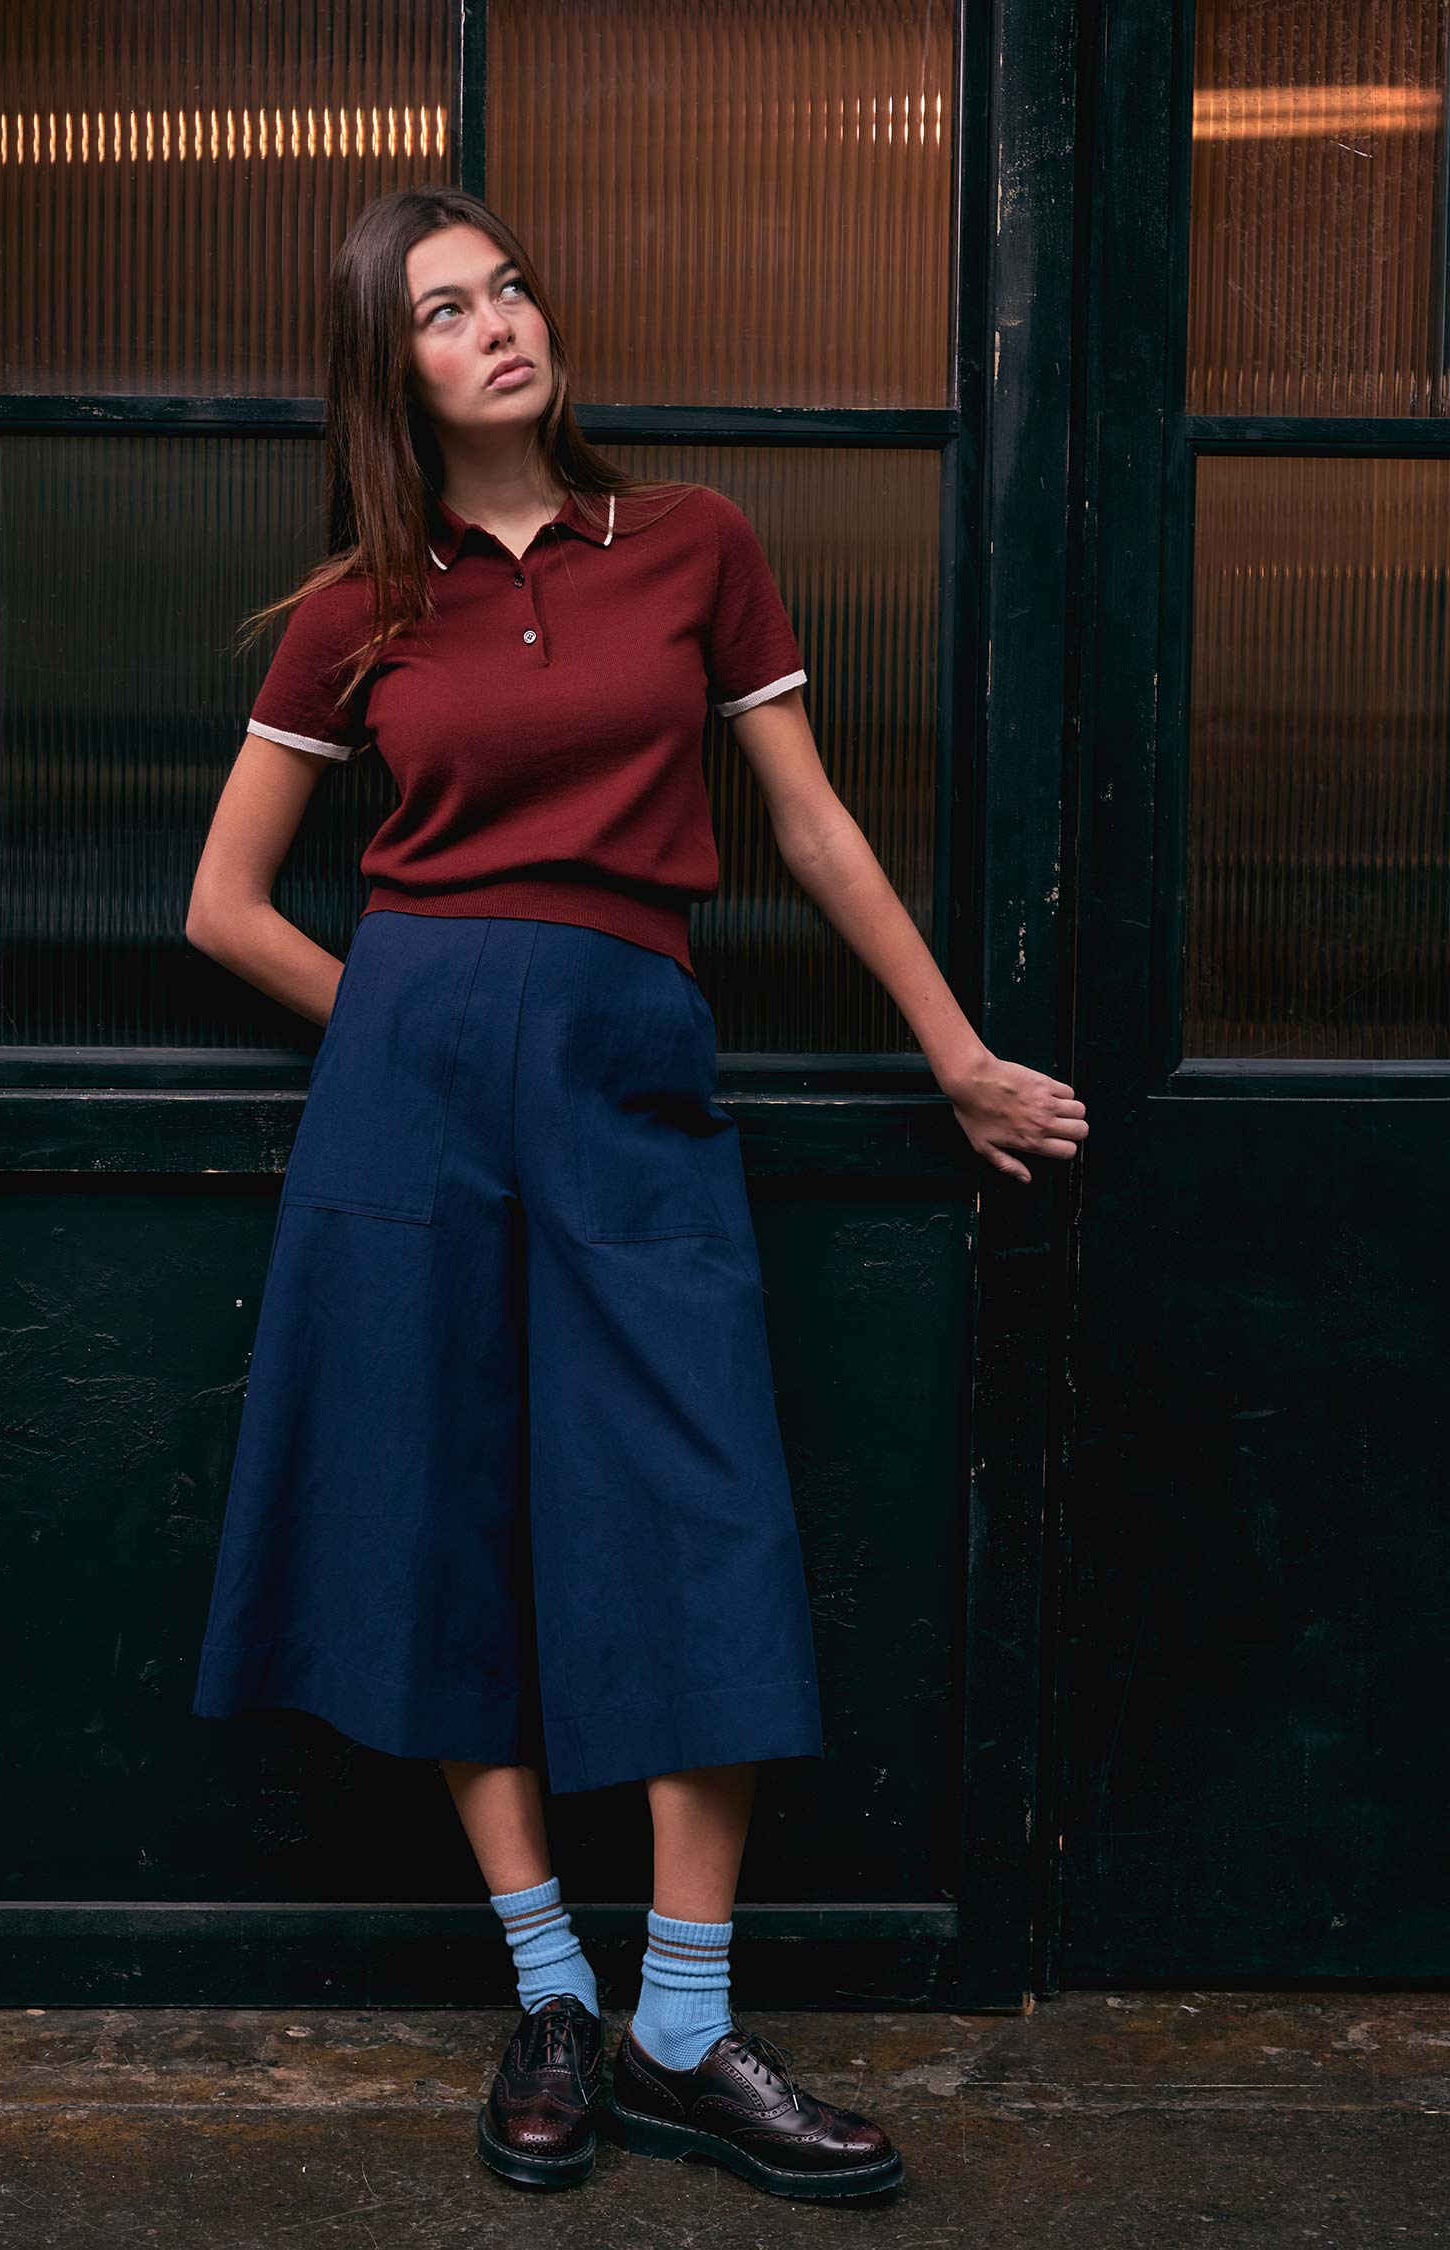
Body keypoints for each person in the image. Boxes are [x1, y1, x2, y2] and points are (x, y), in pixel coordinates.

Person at [187, 185, 1086, 2203]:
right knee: (442, 1515)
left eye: (509, 288)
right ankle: (553, 1992)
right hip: (414, 1091)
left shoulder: (690, 543)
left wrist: (954, 1051)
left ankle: (685, 2016)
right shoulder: (356, 609)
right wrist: (403, 1027)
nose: (500, 323)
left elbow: (811, 824)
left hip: (630, 1068)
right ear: (389, 368)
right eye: (445, 309)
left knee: (696, 1506)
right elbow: (222, 906)